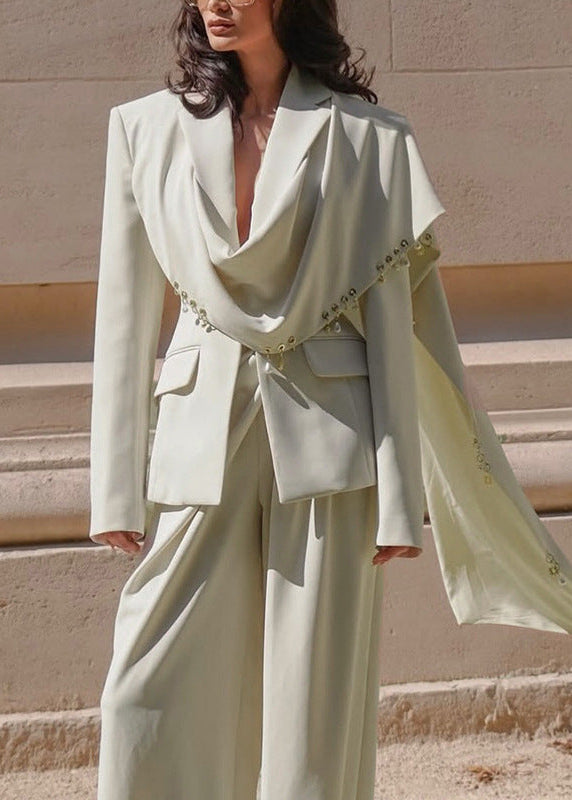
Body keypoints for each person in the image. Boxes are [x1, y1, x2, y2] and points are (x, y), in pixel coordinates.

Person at [88, 1, 572, 798]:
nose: (217, 1)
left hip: (331, 442)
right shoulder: (143, 129)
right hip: (196, 438)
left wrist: (399, 499)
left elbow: (393, 319)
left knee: (312, 710)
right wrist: (114, 486)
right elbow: (124, 311)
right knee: (143, 690)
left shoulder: (370, 138)